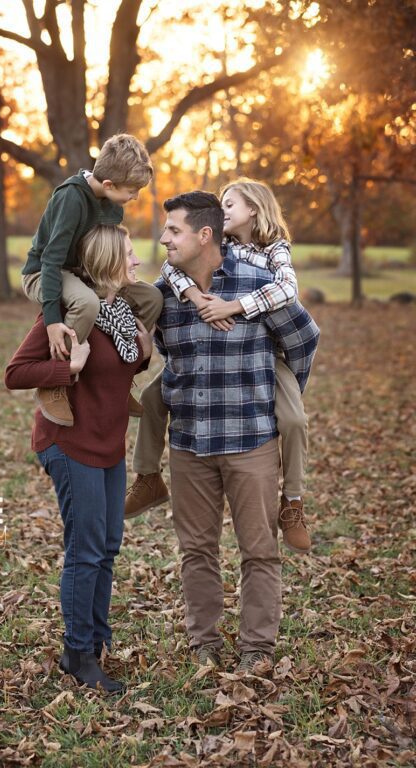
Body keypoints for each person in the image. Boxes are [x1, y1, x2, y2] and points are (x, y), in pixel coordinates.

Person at [149, 191, 319, 672]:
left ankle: (257, 649)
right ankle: (204, 644)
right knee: (196, 551)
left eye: (174, 231)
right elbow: (163, 350)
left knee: (259, 550)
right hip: (189, 446)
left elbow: (304, 339)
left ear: (205, 235)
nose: (164, 239)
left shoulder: (258, 283)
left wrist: (279, 391)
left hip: (252, 444)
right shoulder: (166, 294)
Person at [126, 179, 312, 553]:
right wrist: (195, 296)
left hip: (267, 363)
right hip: (197, 376)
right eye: (221, 205)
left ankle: (292, 501)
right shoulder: (212, 251)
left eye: (230, 204)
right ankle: (147, 477)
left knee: (293, 419)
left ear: (255, 209)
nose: (223, 209)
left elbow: (292, 305)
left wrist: (235, 308)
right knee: (150, 396)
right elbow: (172, 272)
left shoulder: (273, 252)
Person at [6, 224, 153, 694]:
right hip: (70, 443)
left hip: (108, 443)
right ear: (108, 260)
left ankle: (96, 638)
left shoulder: (122, 313)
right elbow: (15, 372)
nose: (136, 262)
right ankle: (77, 653)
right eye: (129, 254)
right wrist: (66, 368)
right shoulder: (70, 314)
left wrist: (145, 356)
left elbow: (119, 364)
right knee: (86, 550)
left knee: (107, 546)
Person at [20, 133, 163, 427]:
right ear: (109, 184)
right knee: (86, 302)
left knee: (152, 298)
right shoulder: (71, 198)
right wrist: (51, 321)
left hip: (83, 274)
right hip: (44, 272)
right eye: (132, 190)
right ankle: (56, 382)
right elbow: (50, 259)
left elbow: (105, 253)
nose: (135, 196)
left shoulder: (113, 205)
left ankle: (120, 379)